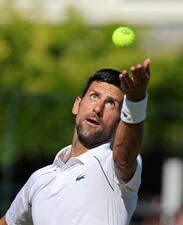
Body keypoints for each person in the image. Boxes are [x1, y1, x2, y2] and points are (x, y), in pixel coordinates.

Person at [0, 58, 151, 225]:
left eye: (111, 104)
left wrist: (135, 102)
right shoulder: (40, 178)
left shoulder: (112, 166)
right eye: (94, 96)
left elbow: (123, 159)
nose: (98, 109)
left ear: (119, 122)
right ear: (77, 105)